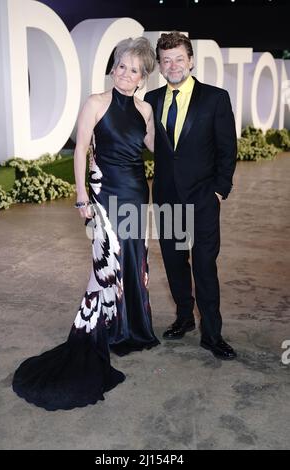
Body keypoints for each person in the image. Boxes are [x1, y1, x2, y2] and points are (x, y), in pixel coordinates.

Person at [12, 37, 159, 410]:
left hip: (137, 192)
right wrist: (81, 195)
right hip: (104, 193)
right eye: (121, 65)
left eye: (133, 70)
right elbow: (81, 148)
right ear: (114, 67)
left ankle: (133, 329)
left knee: (134, 258)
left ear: (142, 78)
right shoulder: (96, 102)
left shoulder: (144, 110)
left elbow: (158, 148)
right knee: (105, 260)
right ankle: (103, 327)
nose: (125, 74)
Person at [145, 32, 237, 360]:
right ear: (159, 65)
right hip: (168, 197)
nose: (173, 66)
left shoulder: (215, 98)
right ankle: (184, 317)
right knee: (174, 262)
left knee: (203, 265)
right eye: (166, 60)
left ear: (191, 61)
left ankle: (212, 333)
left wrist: (219, 191)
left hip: (202, 198)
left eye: (179, 59)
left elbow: (228, 149)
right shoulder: (151, 100)